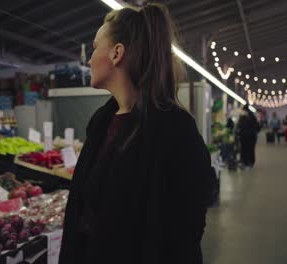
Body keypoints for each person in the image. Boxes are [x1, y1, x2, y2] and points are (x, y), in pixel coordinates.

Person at [59, 4, 212, 264]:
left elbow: (185, 232)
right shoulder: (101, 122)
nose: (89, 60)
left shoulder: (176, 131)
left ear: (117, 53)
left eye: (95, 47)